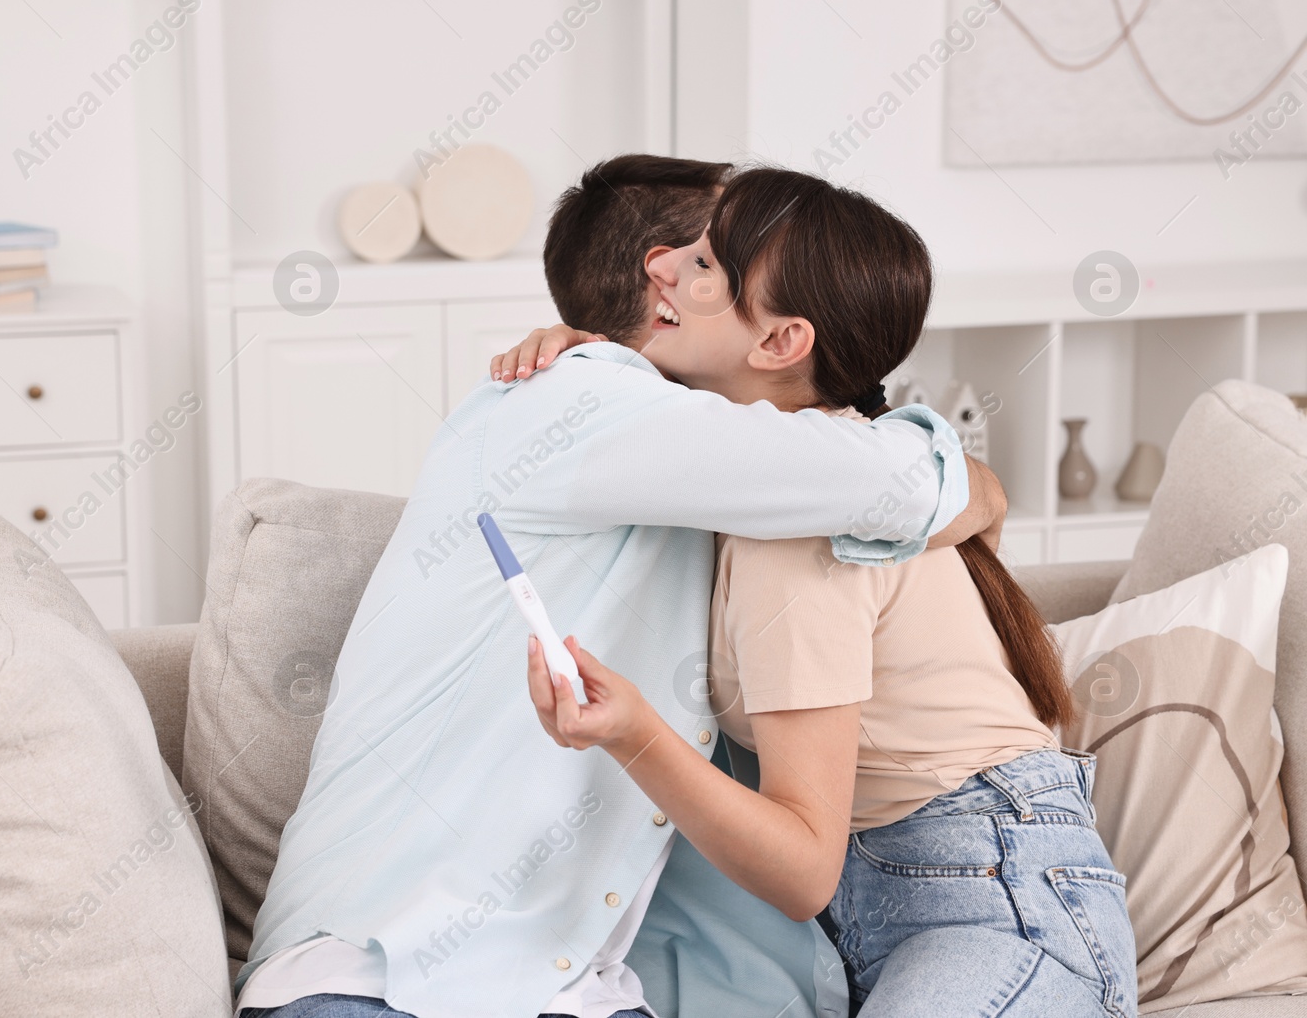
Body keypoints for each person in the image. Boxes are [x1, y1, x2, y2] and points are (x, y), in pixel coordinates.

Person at [235, 156, 1001, 1018]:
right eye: (697, 253)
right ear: (660, 284)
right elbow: (918, 482)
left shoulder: (686, 459)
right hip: (376, 970)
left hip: (567, 989)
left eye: (715, 258)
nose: (680, 269)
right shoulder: (576, 403)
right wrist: (979, 485)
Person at [516, 167, 1137, 1017]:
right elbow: (977, 499)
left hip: (998, 908)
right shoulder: (789, 475)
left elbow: (803, 871)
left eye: (702, 267)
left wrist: (631, 734)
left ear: (779, 343)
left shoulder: (804, 519)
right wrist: (584, 356)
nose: (663, 268)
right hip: (891, 920)